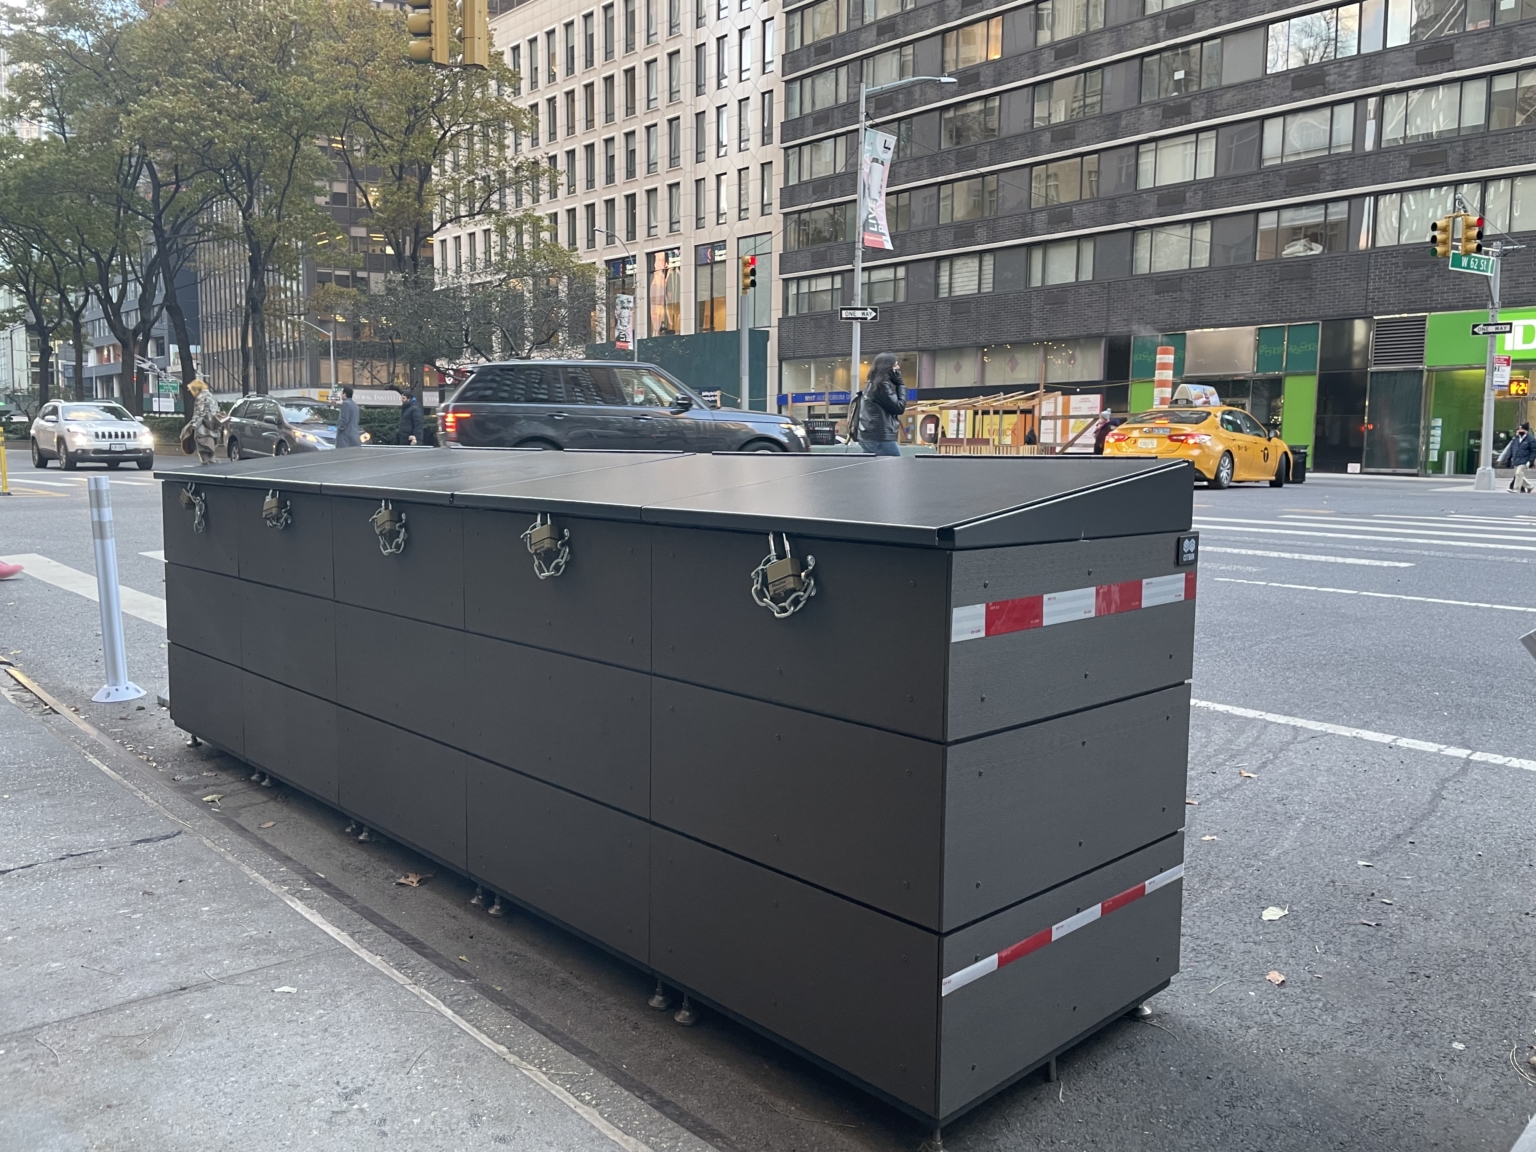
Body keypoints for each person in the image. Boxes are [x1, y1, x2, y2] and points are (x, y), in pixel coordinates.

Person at [855, 352, 905, 457]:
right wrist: (900, 384)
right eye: (895, 365)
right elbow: (899, 407)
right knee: (896, 468)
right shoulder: (882, 386)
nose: (898, 368)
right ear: (888, 368)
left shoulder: (871, 384)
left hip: (869, 436)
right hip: (882, 437)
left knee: (873, 470)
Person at [188, 379, 222, 465]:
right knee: (210, 452)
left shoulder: (201, 398)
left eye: (192, 390)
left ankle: (209, 471)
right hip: (213, 429)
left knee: (204, 455)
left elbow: (199, 414)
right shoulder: (212, 397)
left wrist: (192, 426)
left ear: (196, 389)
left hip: (203, 430)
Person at [1505, 422, 1536, 492]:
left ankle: (1516, 489)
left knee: (1518, 473)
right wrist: (1509, 459)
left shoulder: (1531, 440)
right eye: (1519, 429)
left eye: (1521, 429)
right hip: (1516, 460)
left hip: (1524, 460)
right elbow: (1512, 449)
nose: (1519, 431)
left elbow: (1534, 451)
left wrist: (1530, 461)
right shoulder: (1515, 439)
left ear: (1526, 430)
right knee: (1518, 474)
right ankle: (1530, 486)